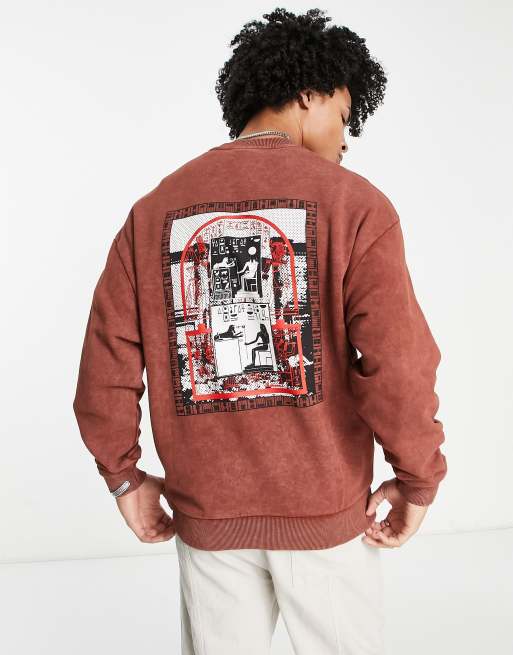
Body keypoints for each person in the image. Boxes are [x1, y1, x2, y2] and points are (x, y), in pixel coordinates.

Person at [73, 7, 448, 654]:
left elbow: (104, 366)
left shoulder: (154, 212)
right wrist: (418, 476)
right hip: (325, 515)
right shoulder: (354, 204)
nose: (345, 140)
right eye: (344, 116)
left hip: (209, 515)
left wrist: (125, 478)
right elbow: (398, 362)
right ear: (308, 95)